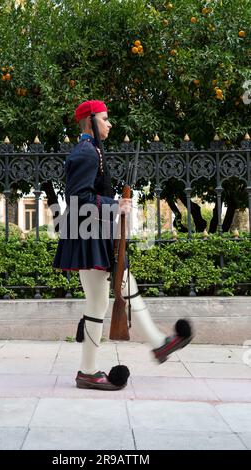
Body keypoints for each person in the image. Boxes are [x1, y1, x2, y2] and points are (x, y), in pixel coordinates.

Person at [53, 100, 193, 391]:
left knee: (123, 285)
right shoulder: (86, 154)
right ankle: (89, 371)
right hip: (86, 234)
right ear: (90, 121)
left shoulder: (93, 151)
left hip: (93, 233)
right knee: (99, 302)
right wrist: (116, 205)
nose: (110, 123)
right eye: (105, 118)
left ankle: (158, 345)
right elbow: (79, 200)